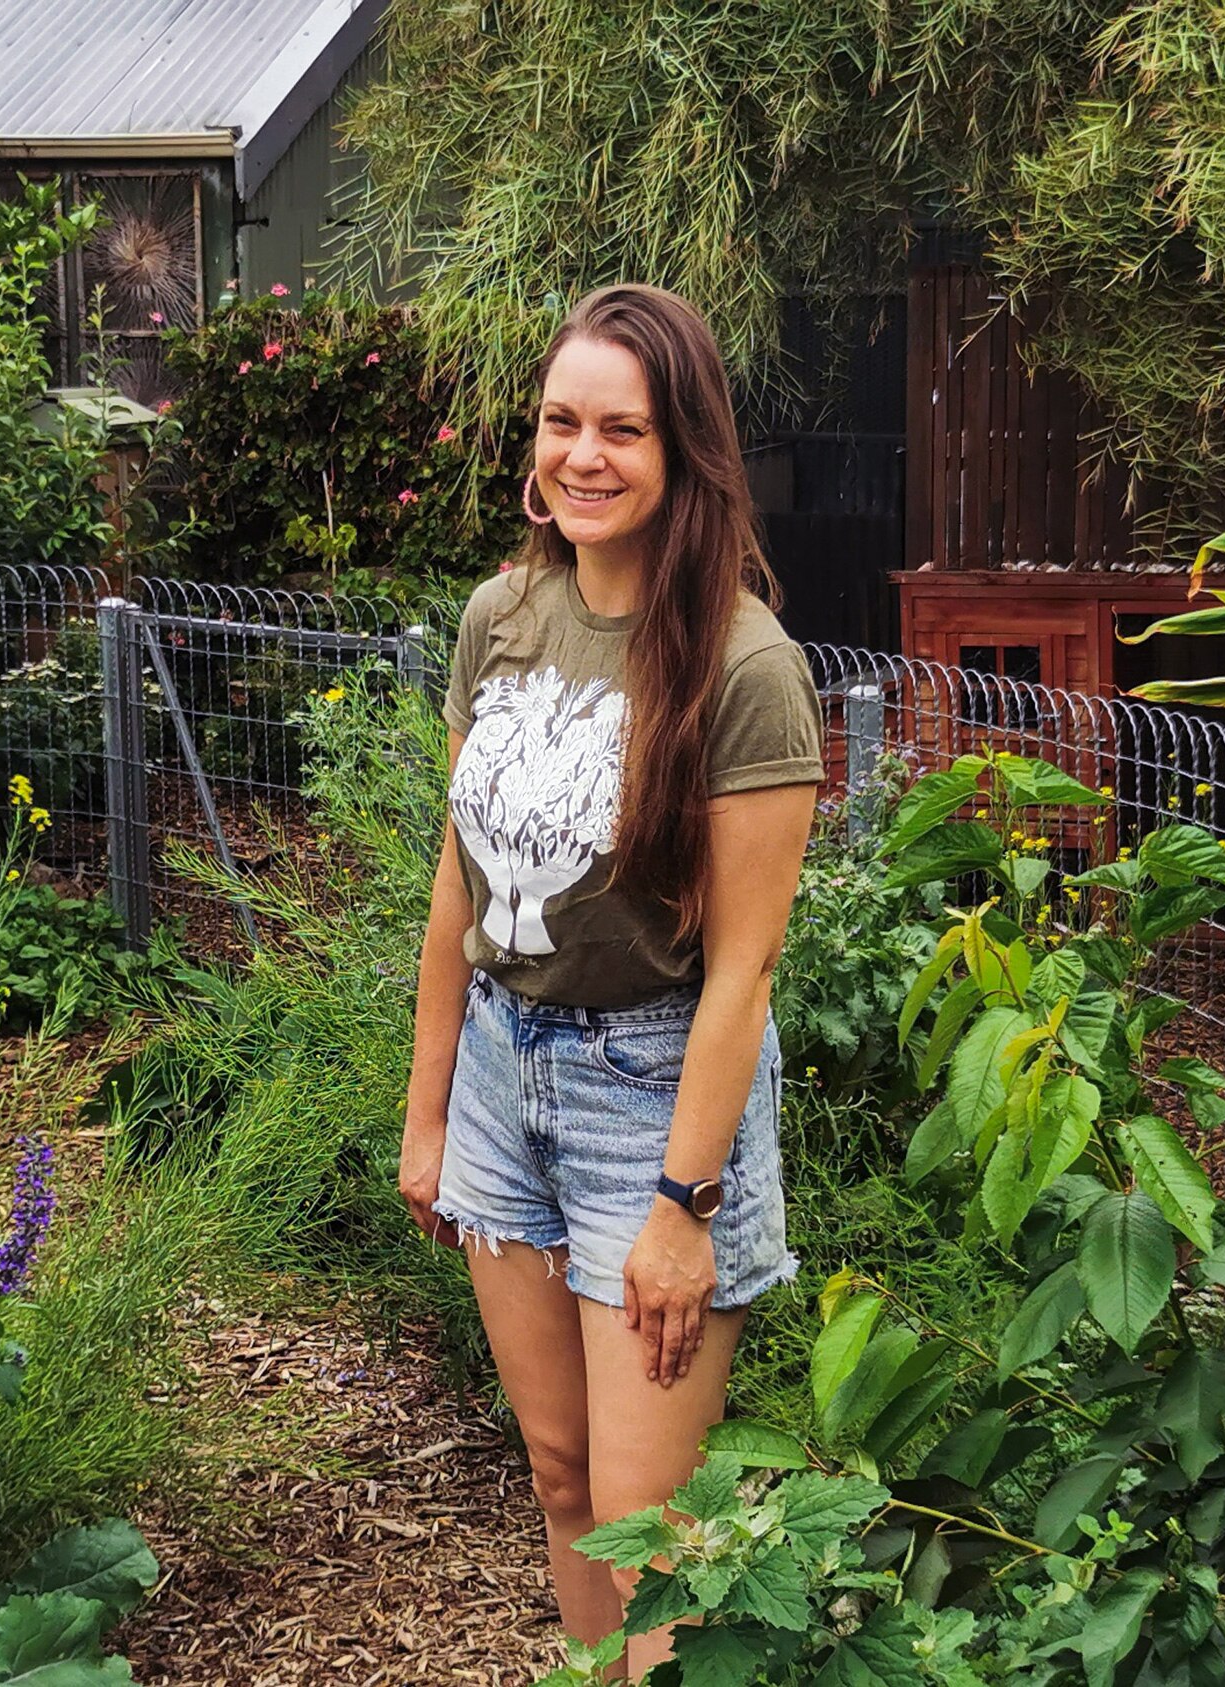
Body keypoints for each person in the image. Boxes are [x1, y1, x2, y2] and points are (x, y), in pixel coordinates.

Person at [399, 283, 823, 1676]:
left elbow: (745, 967)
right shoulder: (500, 617)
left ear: (684, 450)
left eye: (621, 430)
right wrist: (429, 1110)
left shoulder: (745, 666)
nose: (582, 456)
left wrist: (682, 1208)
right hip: (501, 1078)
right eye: (560, 422)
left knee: (653, 1533)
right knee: (564, 1476)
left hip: (650, 1097)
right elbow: (459, 880)